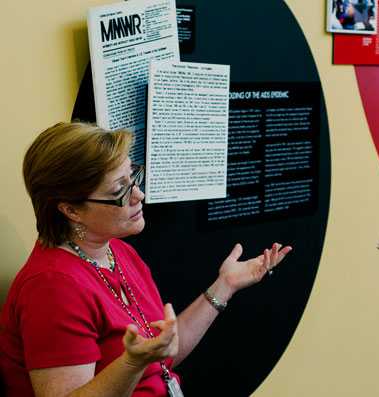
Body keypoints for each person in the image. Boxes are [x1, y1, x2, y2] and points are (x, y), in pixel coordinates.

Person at [0, 122, 292, 397]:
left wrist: (225, 285)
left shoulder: (117, 251)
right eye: (119, 191)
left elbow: (162, 356)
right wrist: (132, 362)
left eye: (133, 178)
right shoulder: (52, 286)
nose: (138, 195)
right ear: (71, 211)